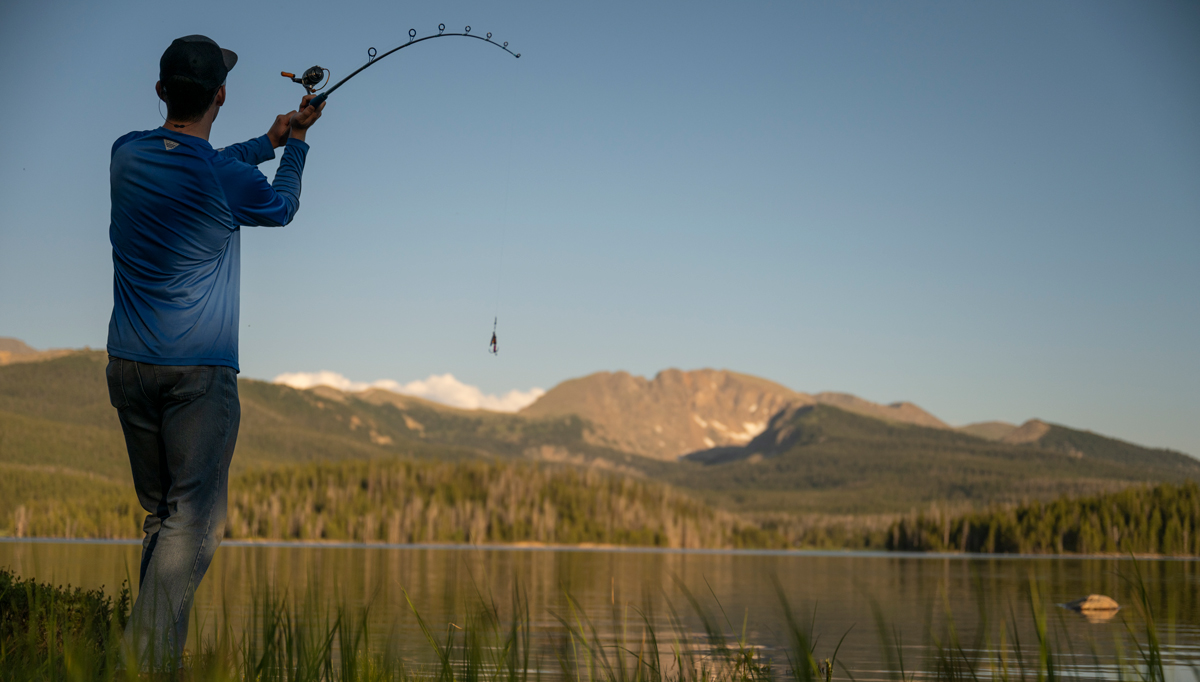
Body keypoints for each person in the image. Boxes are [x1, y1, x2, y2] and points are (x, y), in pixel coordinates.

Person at [104, 34, 324, 669]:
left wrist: (270, 138)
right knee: (195, 528)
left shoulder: (126, 154)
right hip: (197, 376)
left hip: (128, 367)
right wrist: (297, 147)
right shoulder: (226, 178)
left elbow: (201, 156)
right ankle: (139, 663)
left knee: (161, 521)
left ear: (160, 91)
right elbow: (280, 208)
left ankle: (153, 664)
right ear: (220, 94)